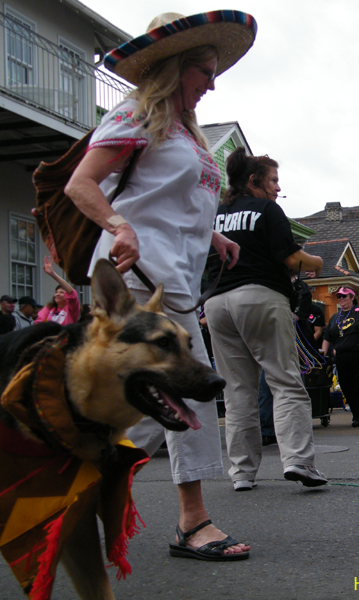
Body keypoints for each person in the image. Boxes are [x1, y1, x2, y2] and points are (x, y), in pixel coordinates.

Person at [64, 11, 256, 560]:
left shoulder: (186, 132)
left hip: (175, 276)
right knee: (186, 387)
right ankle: (192, 520)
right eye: (203, 69)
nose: (211, 83)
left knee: (140, 403)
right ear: (174, 67)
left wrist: (213, 237)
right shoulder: (137, 114)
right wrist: (120, 226)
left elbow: (176, 201)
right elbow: (83, 184)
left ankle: (68, 478)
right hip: (137, 278)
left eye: (215, 71)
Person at [204, 147, 327, 490]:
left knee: (237, 391)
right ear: (254, 180)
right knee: (285, 382)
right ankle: (299, 462)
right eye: (273, 180)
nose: (277, 188)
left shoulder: (215, 213)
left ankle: (241, 473)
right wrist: (316, 262)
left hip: (216, 303)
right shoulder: (267, 209)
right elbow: (291, 257)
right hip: (259, 296)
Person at [321, 287, 359, 427]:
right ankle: (355, 411)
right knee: (346, 386)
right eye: (339, 296)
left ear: (352, 297)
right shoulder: (335, 317)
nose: (341, 299)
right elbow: (327, 337)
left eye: (344, 296)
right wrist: (322, 353)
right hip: (342, 356)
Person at [34, 256, 81, 325]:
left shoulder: (72, 309)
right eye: (56, 292)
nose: (57, 294)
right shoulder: (49, 308)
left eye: (61, 292)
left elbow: (72, 293)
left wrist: (53, 274)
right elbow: (38, 323)